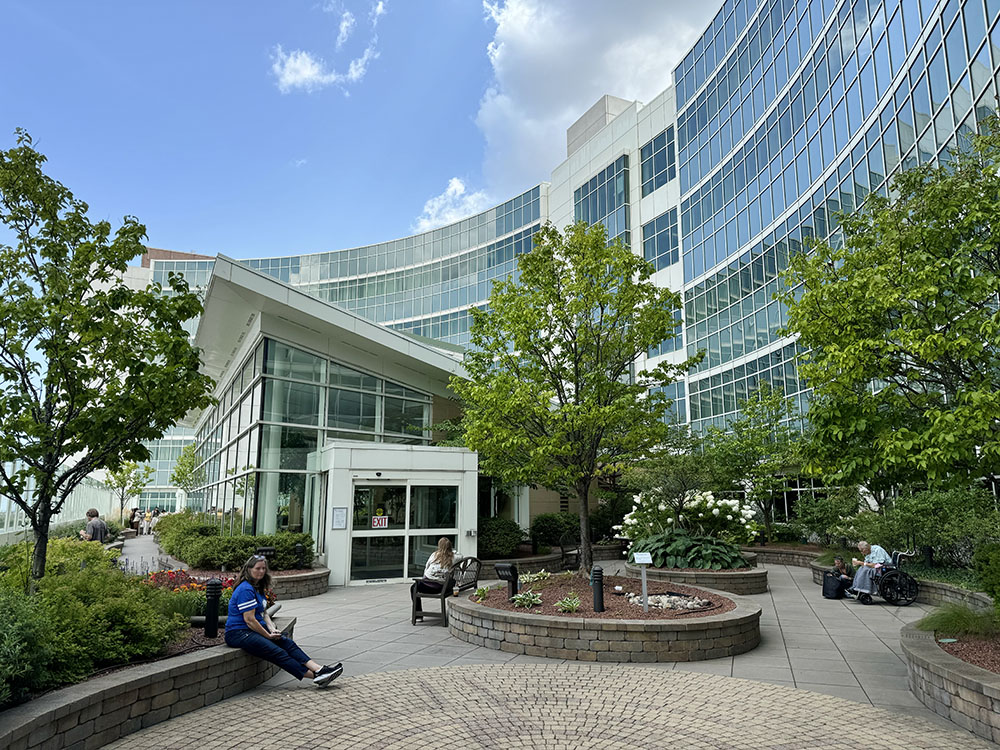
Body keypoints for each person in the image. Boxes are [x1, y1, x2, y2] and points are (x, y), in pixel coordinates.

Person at [225, 554, 342, 687]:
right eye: (258, 568)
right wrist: (267, 635)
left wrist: (271, 628)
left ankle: (319, 669)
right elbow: (249, 620)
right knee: (277, 651)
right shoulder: (245, 589)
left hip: (251, 630)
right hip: (238, 633)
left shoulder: (257, 587)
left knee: (286, 642)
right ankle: (316, 676)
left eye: (264, 568)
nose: (261, 571)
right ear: (249, 569)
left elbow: (263, 613)